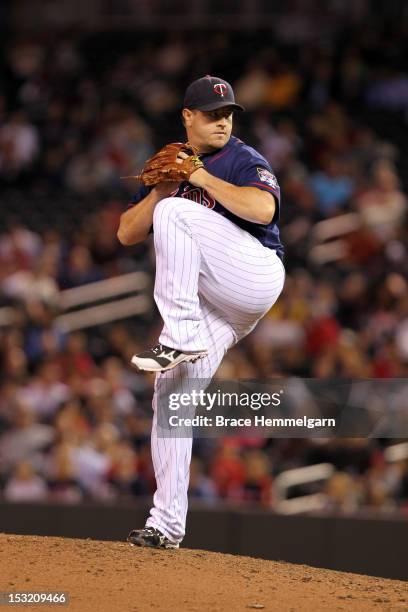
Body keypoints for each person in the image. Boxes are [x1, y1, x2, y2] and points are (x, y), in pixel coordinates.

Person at [117, 75, 285, 549]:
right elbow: (126, 234)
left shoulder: (242, 158)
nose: (222, 121)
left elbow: (263, 211)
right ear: (187, 117)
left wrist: (199, 180)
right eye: (212, 114)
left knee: (175, 214)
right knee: (170, 396)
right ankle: (166, 525)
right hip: (218, 305)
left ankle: (180, 334)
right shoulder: (175, 163)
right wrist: (158, 192)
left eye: (228, 113)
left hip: (255, 275)